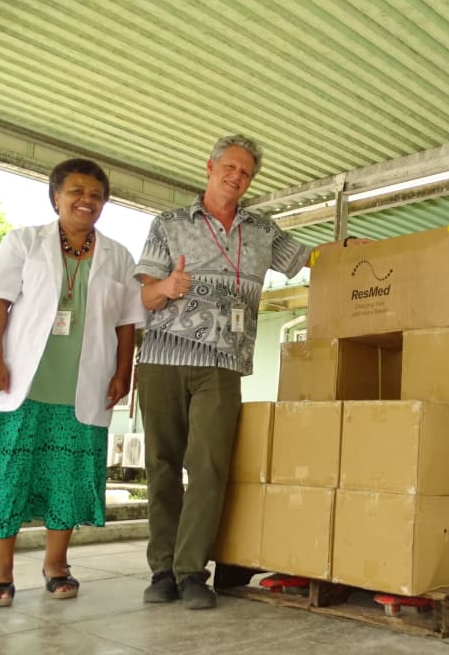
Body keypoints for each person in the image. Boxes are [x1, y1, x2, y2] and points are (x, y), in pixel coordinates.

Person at [135, 134, 361, 610]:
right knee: (161, 465)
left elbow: (309, 261)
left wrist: (347, 249)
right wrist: (168, 287)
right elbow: (145, 297)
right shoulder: (169, 223)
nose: (237, 178)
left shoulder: (262, 230)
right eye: (231, 168)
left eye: (246, 173)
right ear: (210, 167)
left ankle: (192, 571)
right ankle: (162, 571)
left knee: (210, 468)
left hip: (222, 365)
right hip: (163, 359)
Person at [0, 159, 144, 607]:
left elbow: (128, 323)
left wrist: (122, 373)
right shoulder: (24, 242)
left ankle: (57, 565)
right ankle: (0, 569)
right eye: (76, 191)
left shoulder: (118, 255)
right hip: (20, 384)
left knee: (67, 479)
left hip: (82, 387)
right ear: (56, 197)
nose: (86, 201)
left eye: (95, 194)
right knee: (7, 475)